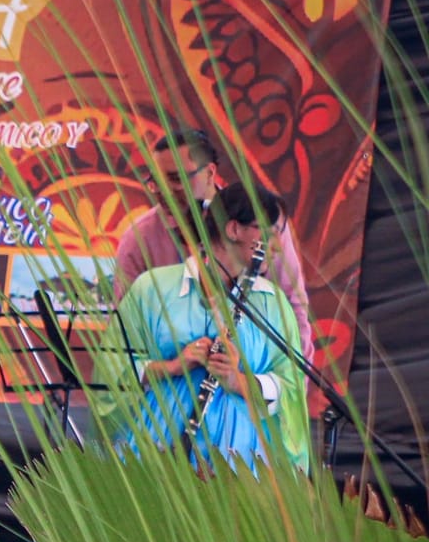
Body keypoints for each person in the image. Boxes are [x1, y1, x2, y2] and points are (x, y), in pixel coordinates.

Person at [98, 185, 310, 470]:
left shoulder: (273, 303)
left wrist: (238, 381)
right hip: (157, 443)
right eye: (268, 232)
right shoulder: (152, 289)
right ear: (233, 229)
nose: (276, 246)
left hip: (241, 457)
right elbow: (110, 369)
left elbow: (292, 385)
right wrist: (173, 366)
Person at [113, 128, 312, 355]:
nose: (163, 191)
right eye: (156, 181)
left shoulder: (262, 223)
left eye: (176, 179)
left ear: (210, 173)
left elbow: (292, 307)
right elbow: (126, 334)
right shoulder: (139, 238)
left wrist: (291, 385)